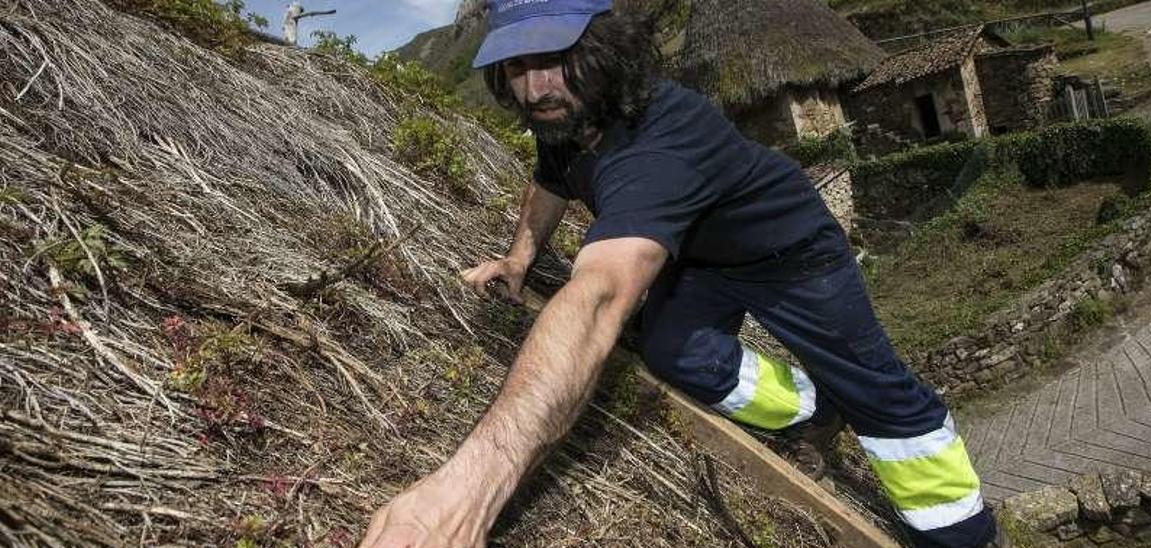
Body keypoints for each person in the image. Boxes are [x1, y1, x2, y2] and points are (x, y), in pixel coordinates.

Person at [360, 1, 1001, 547]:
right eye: (517, 67)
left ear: (604, 48)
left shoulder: (659, 143)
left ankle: (963, 530)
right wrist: (520, 258)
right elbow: (550, 179)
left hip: (791, 253)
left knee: (875, 389)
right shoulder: (568, 116)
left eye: (554, 56)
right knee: (672, 352)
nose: (536, 88)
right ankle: (809, 410)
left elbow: (600, 297)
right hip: (698, 257)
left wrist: (467, 492)